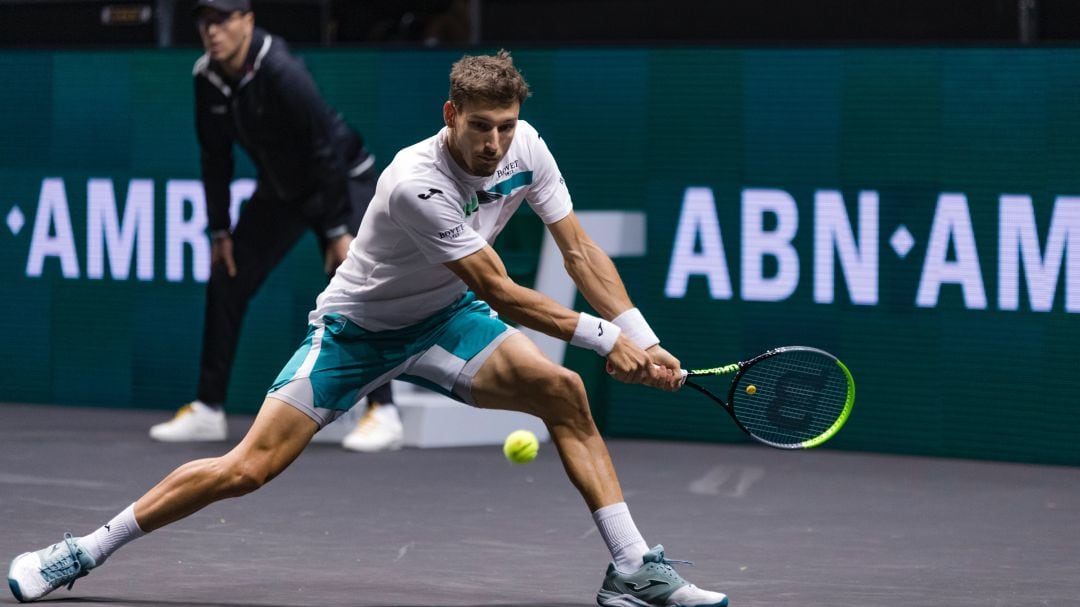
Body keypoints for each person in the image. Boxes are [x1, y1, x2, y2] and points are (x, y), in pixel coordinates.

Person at [7, 51, 728, 607]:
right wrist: (610, 341)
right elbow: (503, 292)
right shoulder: (416, 180)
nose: (496, 144)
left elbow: (576, 249)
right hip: (356, 332)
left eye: (506, 127)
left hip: (445, 321)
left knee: (564, 392)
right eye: (481, 128)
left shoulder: (527, 148)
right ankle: (84, 550)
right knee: (246, 468)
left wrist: (642, 332)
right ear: (451, 114)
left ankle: (632, 569)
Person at [148, 0, 402, 452]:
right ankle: (208, 409)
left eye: (222, 20)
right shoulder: (205, 77)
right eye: (204, 22)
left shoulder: (281, 70)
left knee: (354, 285)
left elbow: (323, 147)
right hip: (282, 189)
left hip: (341, 178)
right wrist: (219, 230)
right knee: (228, 278)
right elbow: (215, 156)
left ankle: (383, 412)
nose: (212, 31)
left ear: (247, 21)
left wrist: (337, 229)